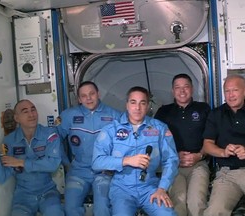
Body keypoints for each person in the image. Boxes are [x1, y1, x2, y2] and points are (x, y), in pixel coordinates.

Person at [92, 86, 179, 216]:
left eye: (142, 103)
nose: (137, 108)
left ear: (148, 105)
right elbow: (97, 162)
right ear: (127, 104)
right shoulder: (111, 130)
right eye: (133, 102)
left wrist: (162, 188)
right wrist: (126, 161)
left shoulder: (159, 128)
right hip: (122, 189)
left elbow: (171, 160)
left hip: (150, 188)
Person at [0, 99, 64, 216]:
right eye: (25, 111)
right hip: (23, 196)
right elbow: (1, 177)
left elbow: (53, 164)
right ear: (17, 118)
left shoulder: (49, 134)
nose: (31, 114)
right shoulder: (9, 142)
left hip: (48, 192)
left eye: (33, 110)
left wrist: (21, 162)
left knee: (55, 212)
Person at [57, 81, 121, 216]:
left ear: (98, 94)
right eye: (84, 96)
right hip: (78, 171)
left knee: (102, 208)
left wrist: (114, 166)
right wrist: (66, 164)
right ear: (79, 99)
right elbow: (54, 140)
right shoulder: (68, 116)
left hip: (104, 172)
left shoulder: (114, 116)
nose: (89, 98)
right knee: (70, 208)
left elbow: (124, 144)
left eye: (92, 94)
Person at [203, 75, 245, 215]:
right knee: (213, 213)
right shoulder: (216, 114)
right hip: (226, 174)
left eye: (235, 90)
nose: (231, 95)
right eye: (227, 91)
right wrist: (223, 152)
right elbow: (207, 145)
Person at [154, 73, 211, 216]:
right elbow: (156, 141)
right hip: (173, 165)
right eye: (177, 88)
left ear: (192, 89)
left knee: (196, 201)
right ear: (173, 91)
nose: (182, 91)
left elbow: (212, 139)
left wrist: (199, 155)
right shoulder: (163, 112)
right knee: (178, 201)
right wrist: (174, 156)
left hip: (198, 164)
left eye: (186, 87)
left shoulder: (204, 109)